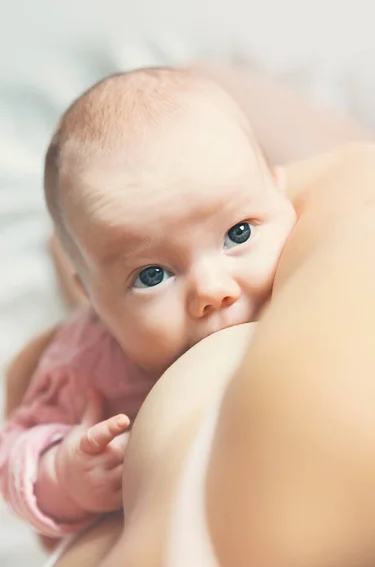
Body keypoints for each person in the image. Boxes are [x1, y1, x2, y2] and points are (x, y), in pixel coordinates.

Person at [5, 63, 375, 566]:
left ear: (278, 188)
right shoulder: (80, 366)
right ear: (91, 299)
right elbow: (17, 456)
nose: (212, 290)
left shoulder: (308, 242)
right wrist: (65, 473)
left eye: (239, 234)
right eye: (153, 275)